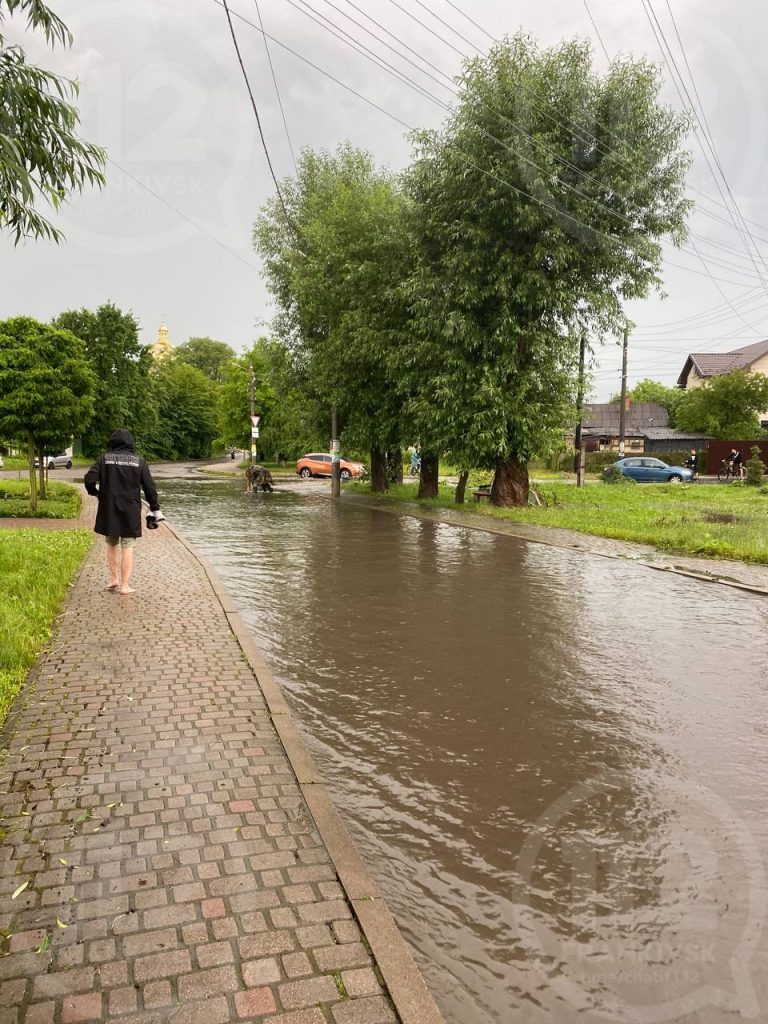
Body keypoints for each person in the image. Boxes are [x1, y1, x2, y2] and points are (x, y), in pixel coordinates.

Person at [84, 429, 164, 595]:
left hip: (109, 508)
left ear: (113, 442)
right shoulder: (139, 461)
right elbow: (149, 487)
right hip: (131, 509)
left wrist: (95, 493)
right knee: (127, 546)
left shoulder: (104, 459)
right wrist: (154, 507)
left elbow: (89, 479)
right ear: (130, 443)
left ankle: (114, 579)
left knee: (111, 543)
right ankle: (125, 585)